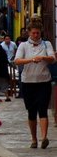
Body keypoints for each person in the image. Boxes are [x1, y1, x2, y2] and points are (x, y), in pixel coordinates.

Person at [14, 18, 55, 149]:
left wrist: (43, 58)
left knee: (42, 109)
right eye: (33, 33)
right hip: (28, 82)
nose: (36, 35)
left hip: (43, 81)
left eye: (38, 33)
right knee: (31, 112)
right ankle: (33, 138)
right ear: (29, 33)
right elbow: (17, 60)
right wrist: (31, 60)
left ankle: (44, 137)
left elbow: (53, 59)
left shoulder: (46, 44)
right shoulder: (23, 46)